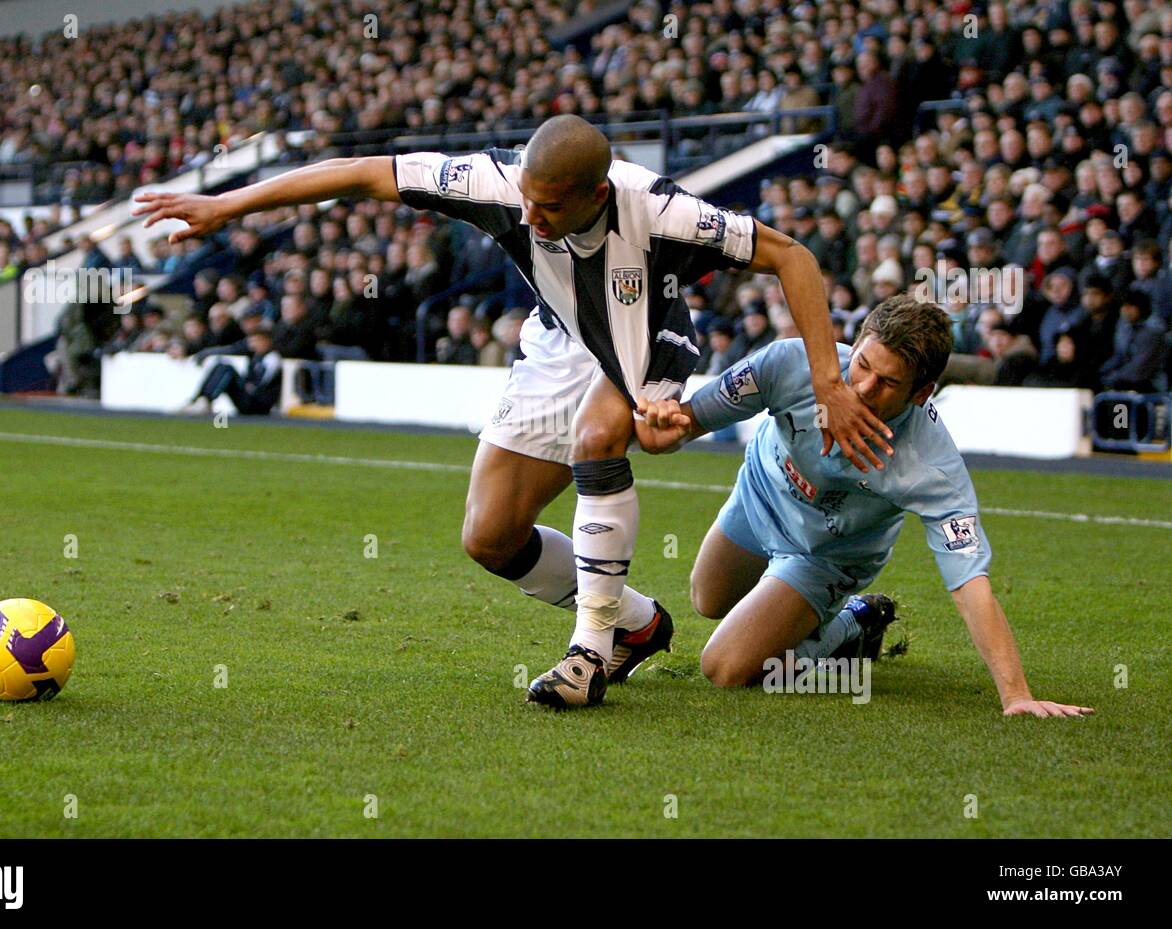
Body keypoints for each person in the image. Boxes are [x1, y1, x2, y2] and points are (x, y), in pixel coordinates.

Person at [133, 114, 887, 709]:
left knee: (601, 436)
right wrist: (226, 204)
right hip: (557, 343)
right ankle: (634, 622)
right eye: (526, 197)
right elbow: (362, 173)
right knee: (490, 536)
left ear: (598, 194)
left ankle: (589, 652)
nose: (529, 216)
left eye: (549, 205)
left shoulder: (665, 214)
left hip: (645, 340)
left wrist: (830, 380)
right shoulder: (499, 186)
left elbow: (795, 255)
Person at [634, 295, 1093, 719]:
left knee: (724, 669)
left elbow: (969, 584)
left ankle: (854, 623)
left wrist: (1016, 695)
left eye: (888, 382)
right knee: (708, 599)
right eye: (863, 365)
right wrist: (654, 421)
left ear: (921, 393)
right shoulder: (789, 364)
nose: (865, 387)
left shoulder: (931, 466)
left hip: (824, 555)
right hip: (761, 495)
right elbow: (689, 421)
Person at [183, 322, 282, 416]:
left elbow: (263, 383)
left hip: (259, 403)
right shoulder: (255, 356)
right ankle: (202, 399)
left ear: (267, 341)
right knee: (221, 366)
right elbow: (232, 349)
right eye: (252, 341)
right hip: (250, 395)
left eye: (256, 341)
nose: (253, 344)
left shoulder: (272, 358)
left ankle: (205, 401)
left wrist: (250, 386)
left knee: (227, 370)